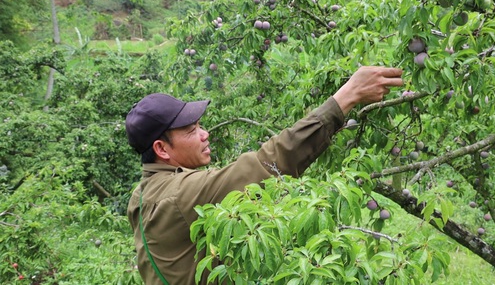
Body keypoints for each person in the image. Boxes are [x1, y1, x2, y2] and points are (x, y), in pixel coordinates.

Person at [125, 66, 404, 285]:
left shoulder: (143, 193)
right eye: (190, 130)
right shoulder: (178, 195)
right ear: (161, 149)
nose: (204, 134)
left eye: (200, 125)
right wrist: (347, 97)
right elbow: (268, 164)